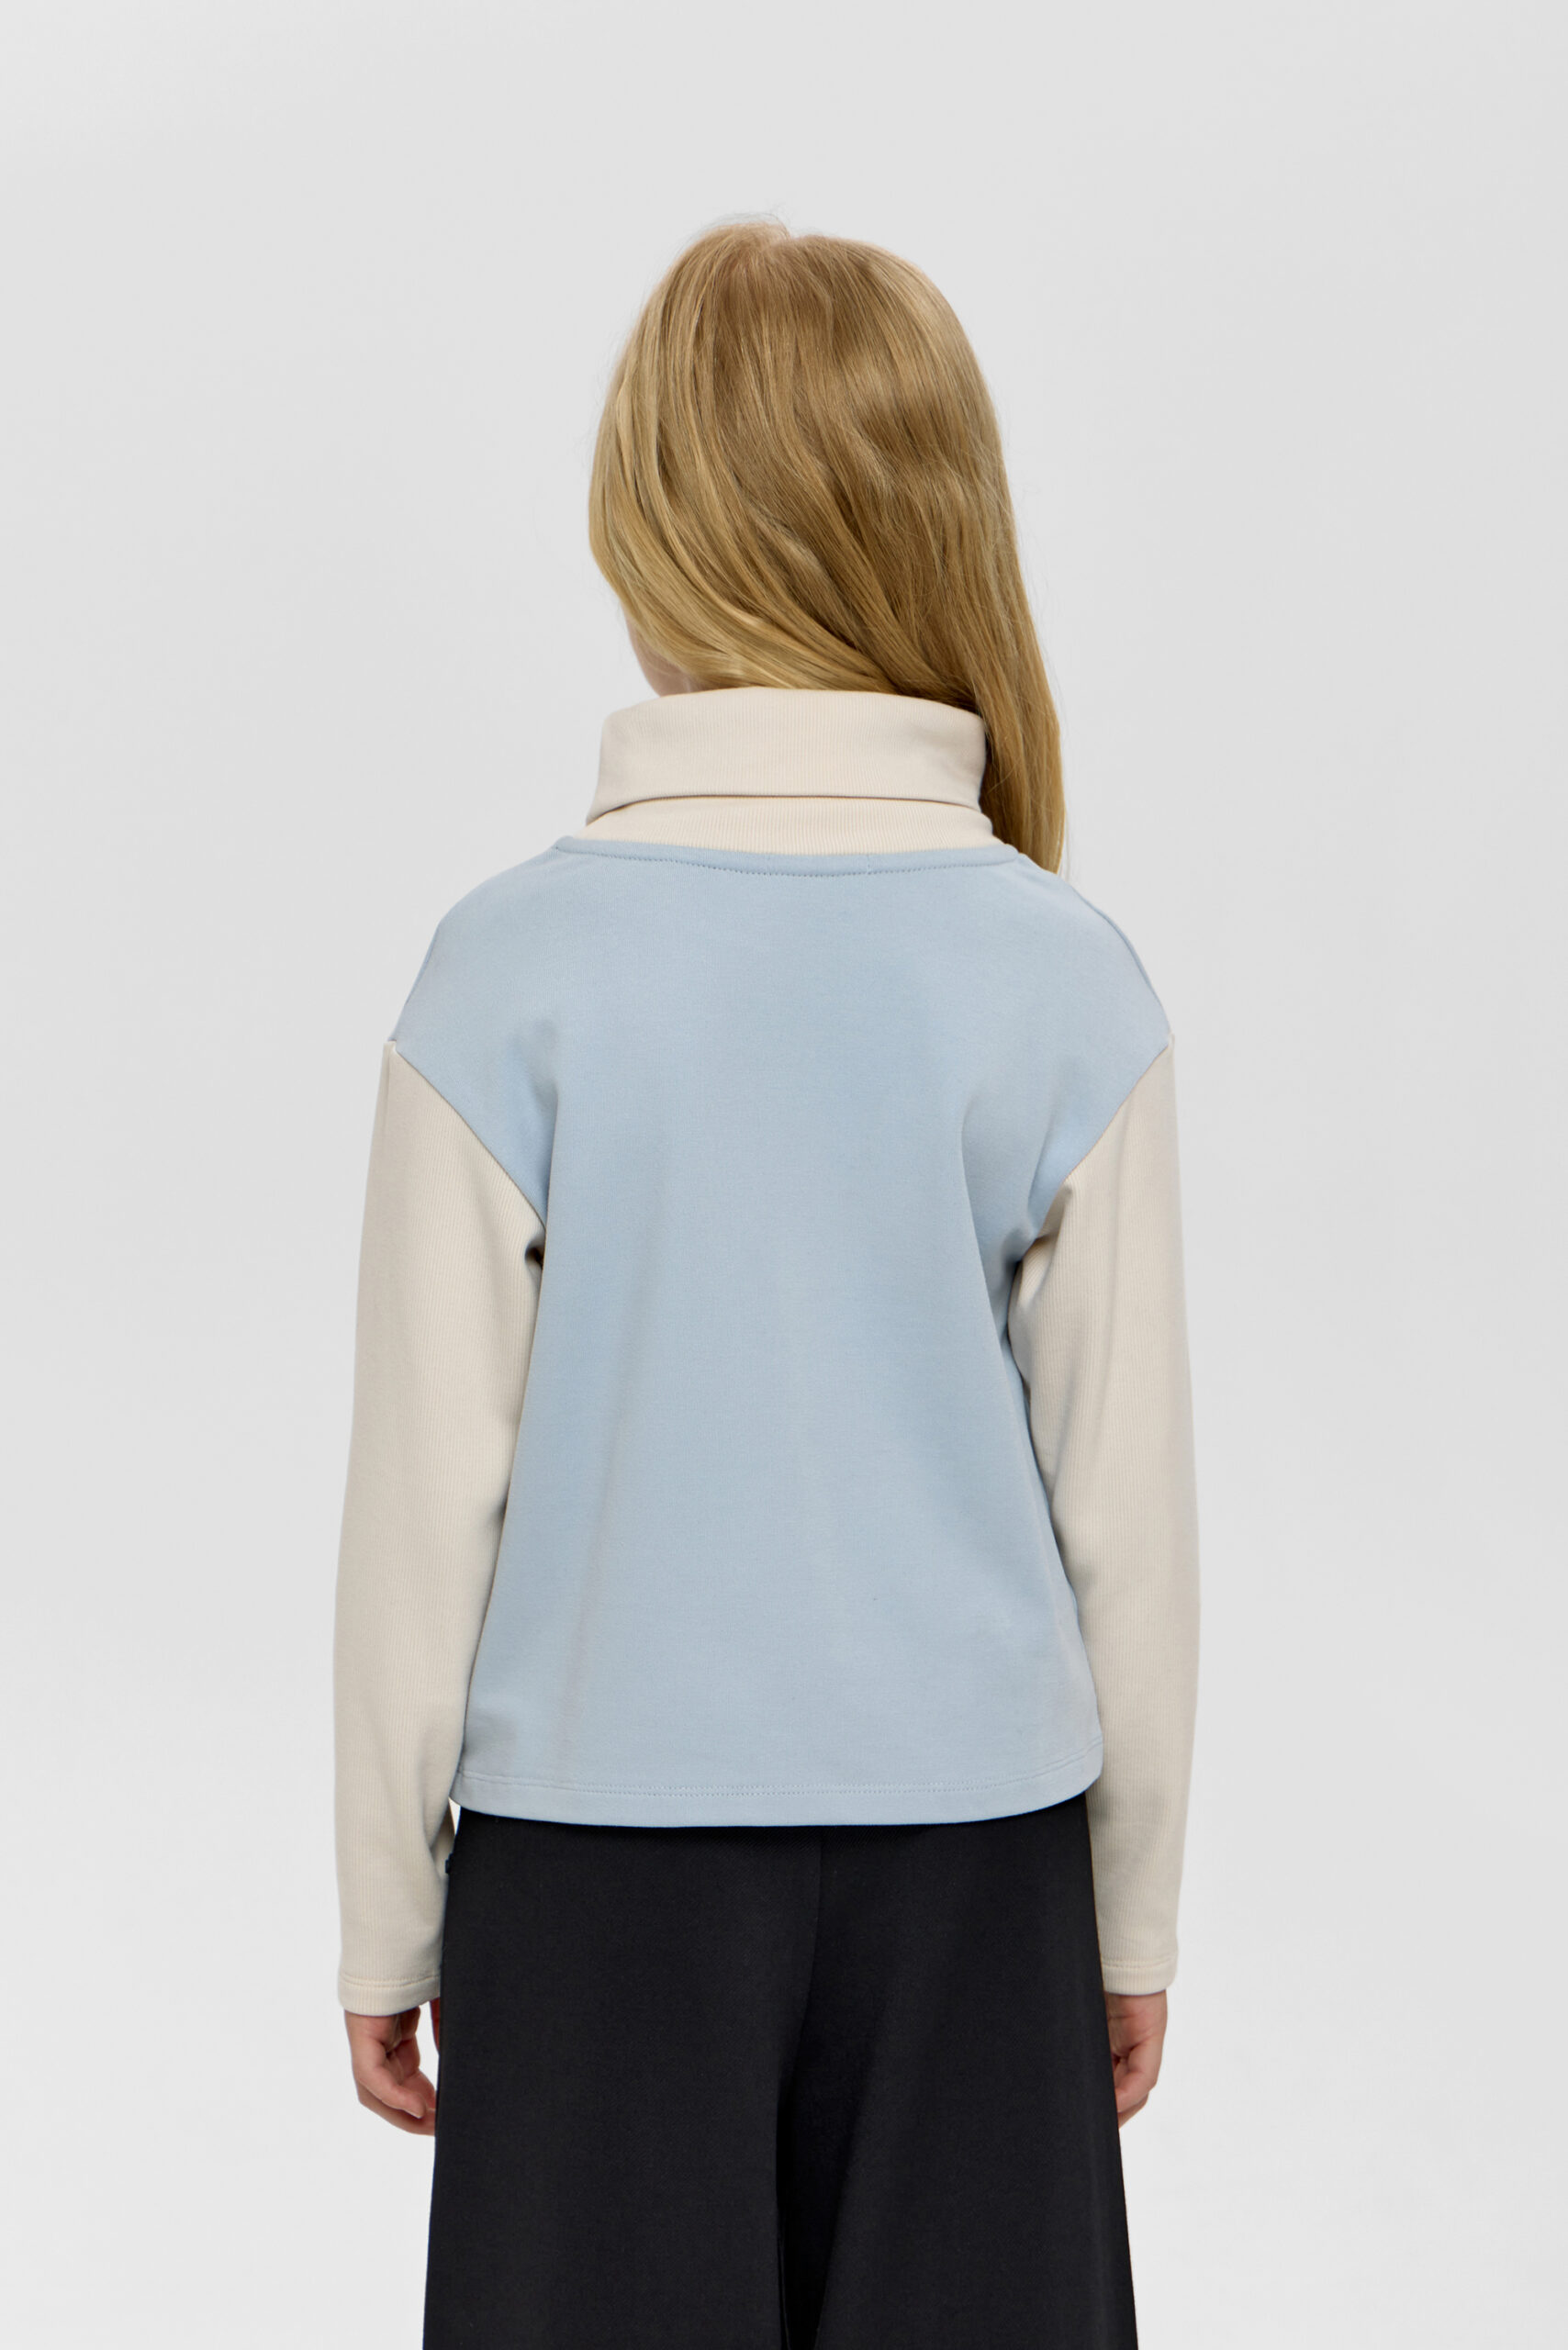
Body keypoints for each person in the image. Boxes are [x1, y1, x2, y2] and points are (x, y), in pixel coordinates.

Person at [333, 218, 1200, 2349]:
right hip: (975, 1868)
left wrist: (383, 1912)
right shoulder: (1058, 974)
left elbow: (424, 1503)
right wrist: (1124, 1914)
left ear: (646, 529)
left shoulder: (505, 972)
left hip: (590, 1879)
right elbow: (1125, 1519)